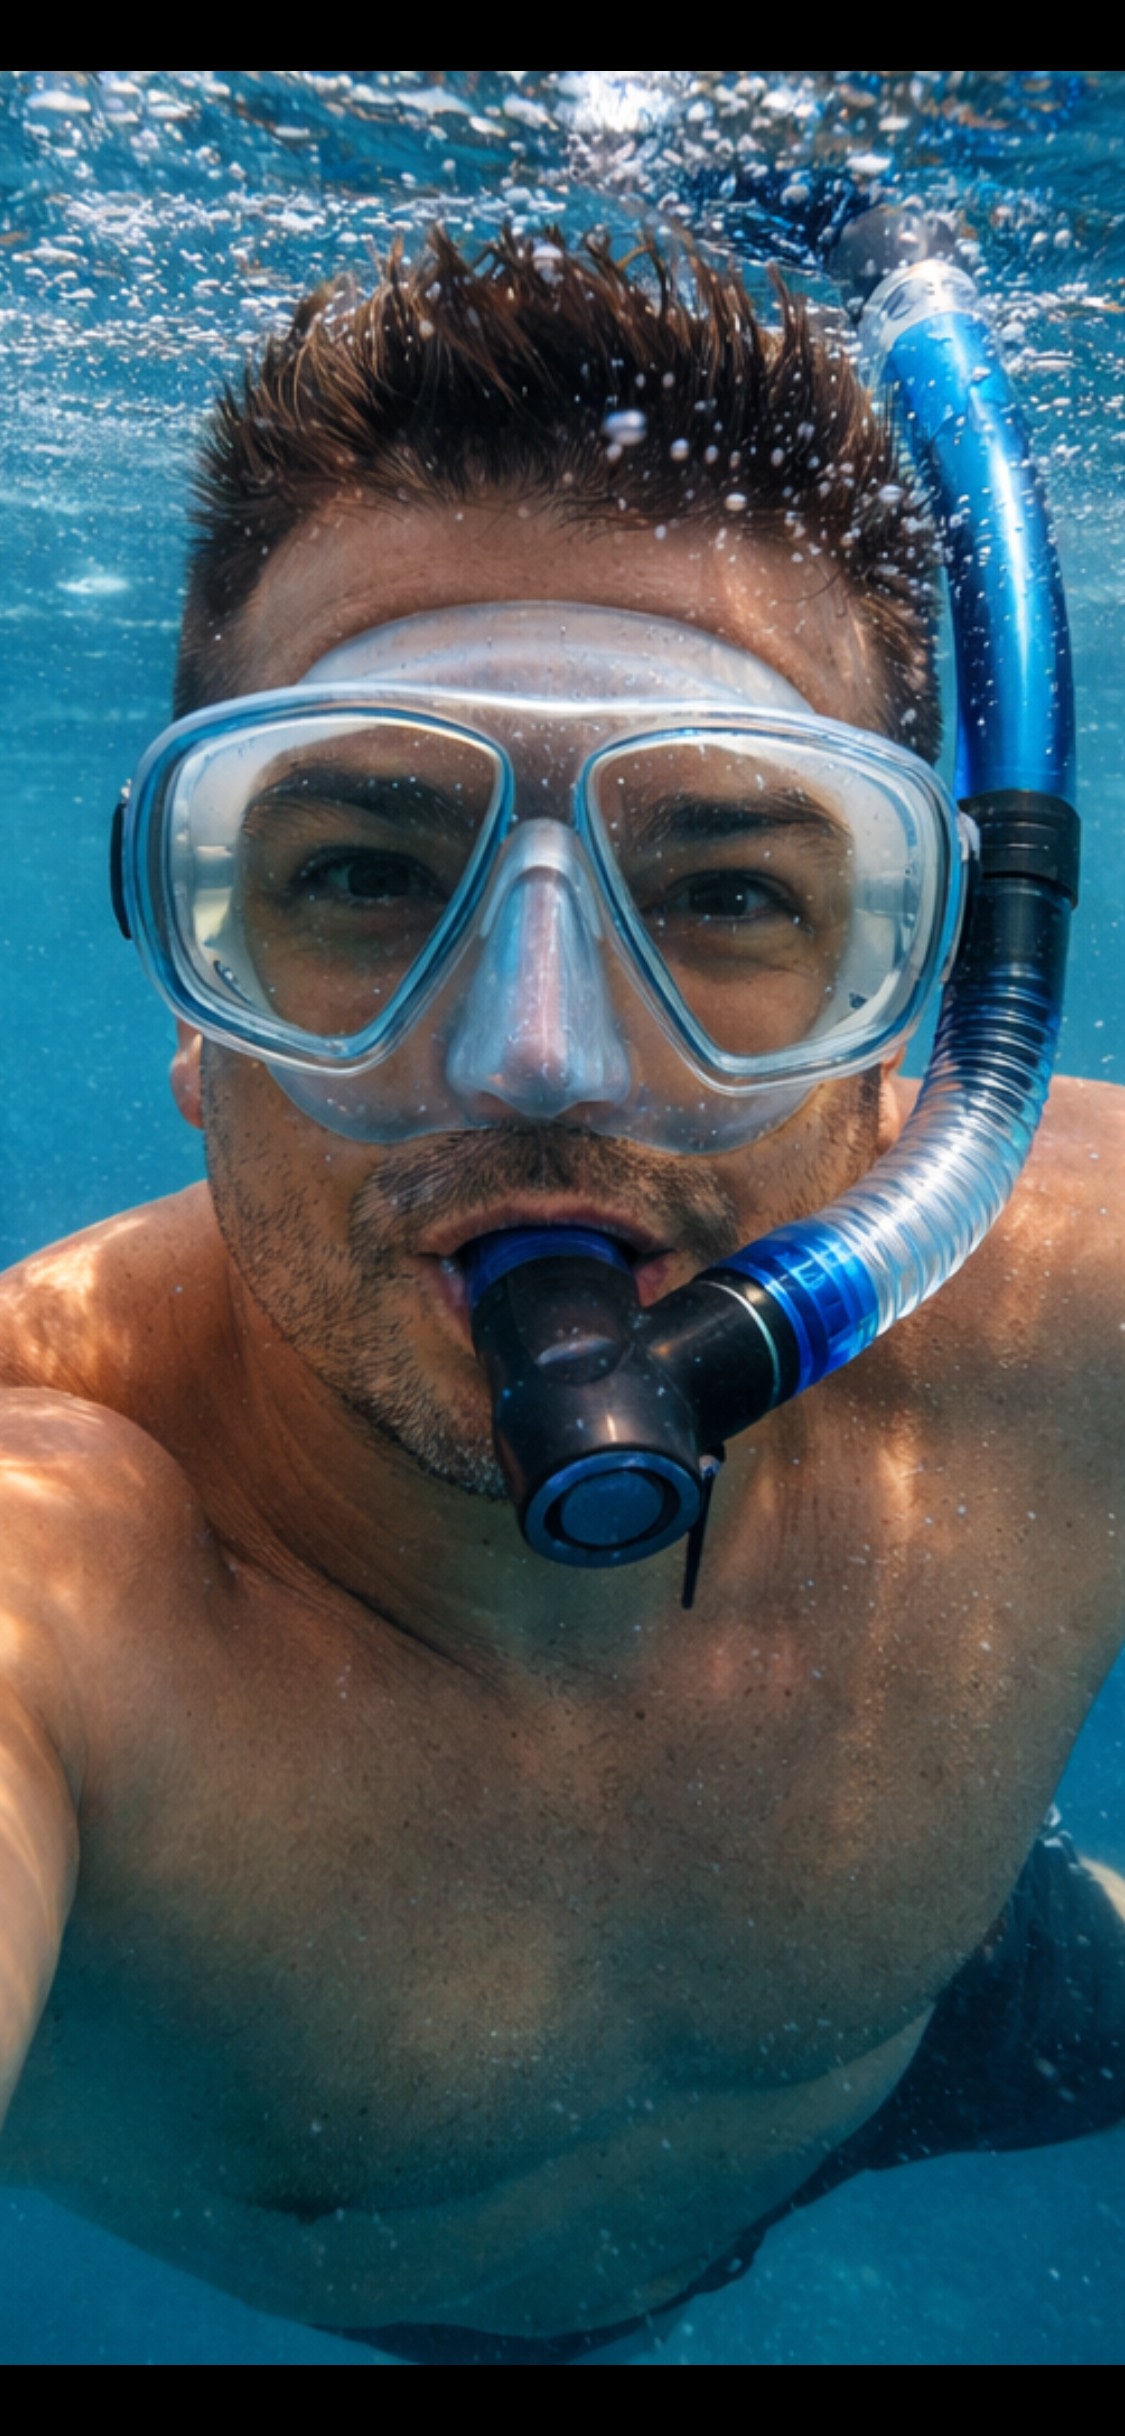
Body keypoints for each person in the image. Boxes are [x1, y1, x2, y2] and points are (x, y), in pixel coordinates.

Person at [0, 227, 1123, 2369]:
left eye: (723, 892)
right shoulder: (46, 1561)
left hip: (949, 2008)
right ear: (194, 1005)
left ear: (907, 1023)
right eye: (360, 874)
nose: (535, 1058)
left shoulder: (1082, 1289)